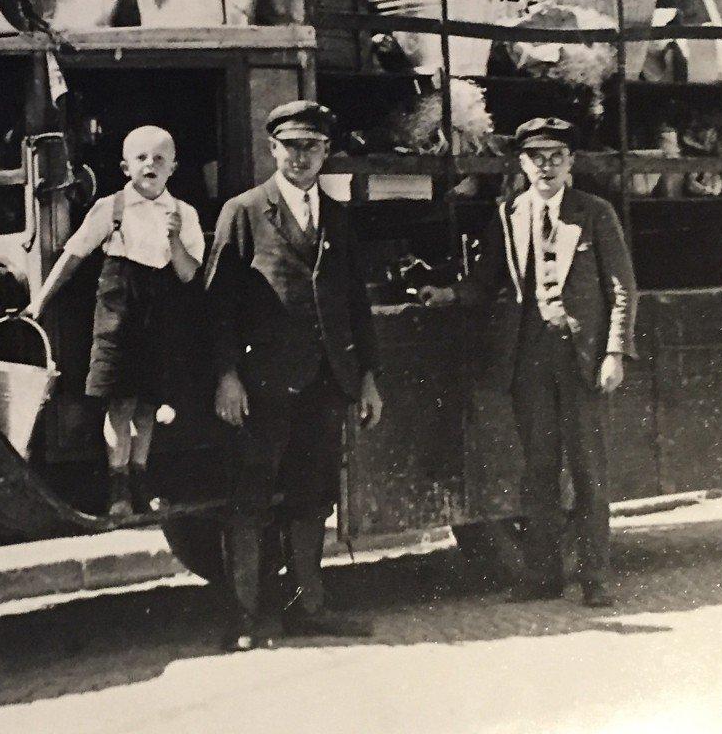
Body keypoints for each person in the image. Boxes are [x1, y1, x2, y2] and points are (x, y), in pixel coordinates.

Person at [421, 117, 637, 608]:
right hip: (529, 362)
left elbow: (622, 290)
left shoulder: (595, 213)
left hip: (581, 361)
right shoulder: (510, 212)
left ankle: (595, 578)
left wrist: (614, 352)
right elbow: (487, 280)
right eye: (537, 157)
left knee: (588, 471)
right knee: (538, 471)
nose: (547, 166)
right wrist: (449, 293)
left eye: (556, 156)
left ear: (571, 163)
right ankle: (543, 577)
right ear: (522, 164)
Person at [203, 100, 384, 652]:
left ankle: (310, 607)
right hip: (262, 384)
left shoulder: (338, 215)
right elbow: (218, 304)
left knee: (312, 496)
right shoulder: (243, 211)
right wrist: (227, 376)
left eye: (312, 146)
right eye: (291, 146)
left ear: (326, 152)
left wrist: (368, 377)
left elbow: (355, 302)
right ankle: (245, 618)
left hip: (326, 380)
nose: (301, 157)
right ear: (273, 149)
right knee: (251, 496)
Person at [28, 125, 203, 517]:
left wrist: (175, 241)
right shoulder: (112, 208)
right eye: (141, 158)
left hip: (159, 319)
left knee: (147, 405)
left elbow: (190, 274)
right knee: (119, 405)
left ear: (173, 167)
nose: (150, 165)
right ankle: (118, 487)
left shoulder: (184, 214)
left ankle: (141, 480)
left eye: (160, 158)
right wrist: (40, 301)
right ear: (126, 166)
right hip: (119, 318)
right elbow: (73, 255)